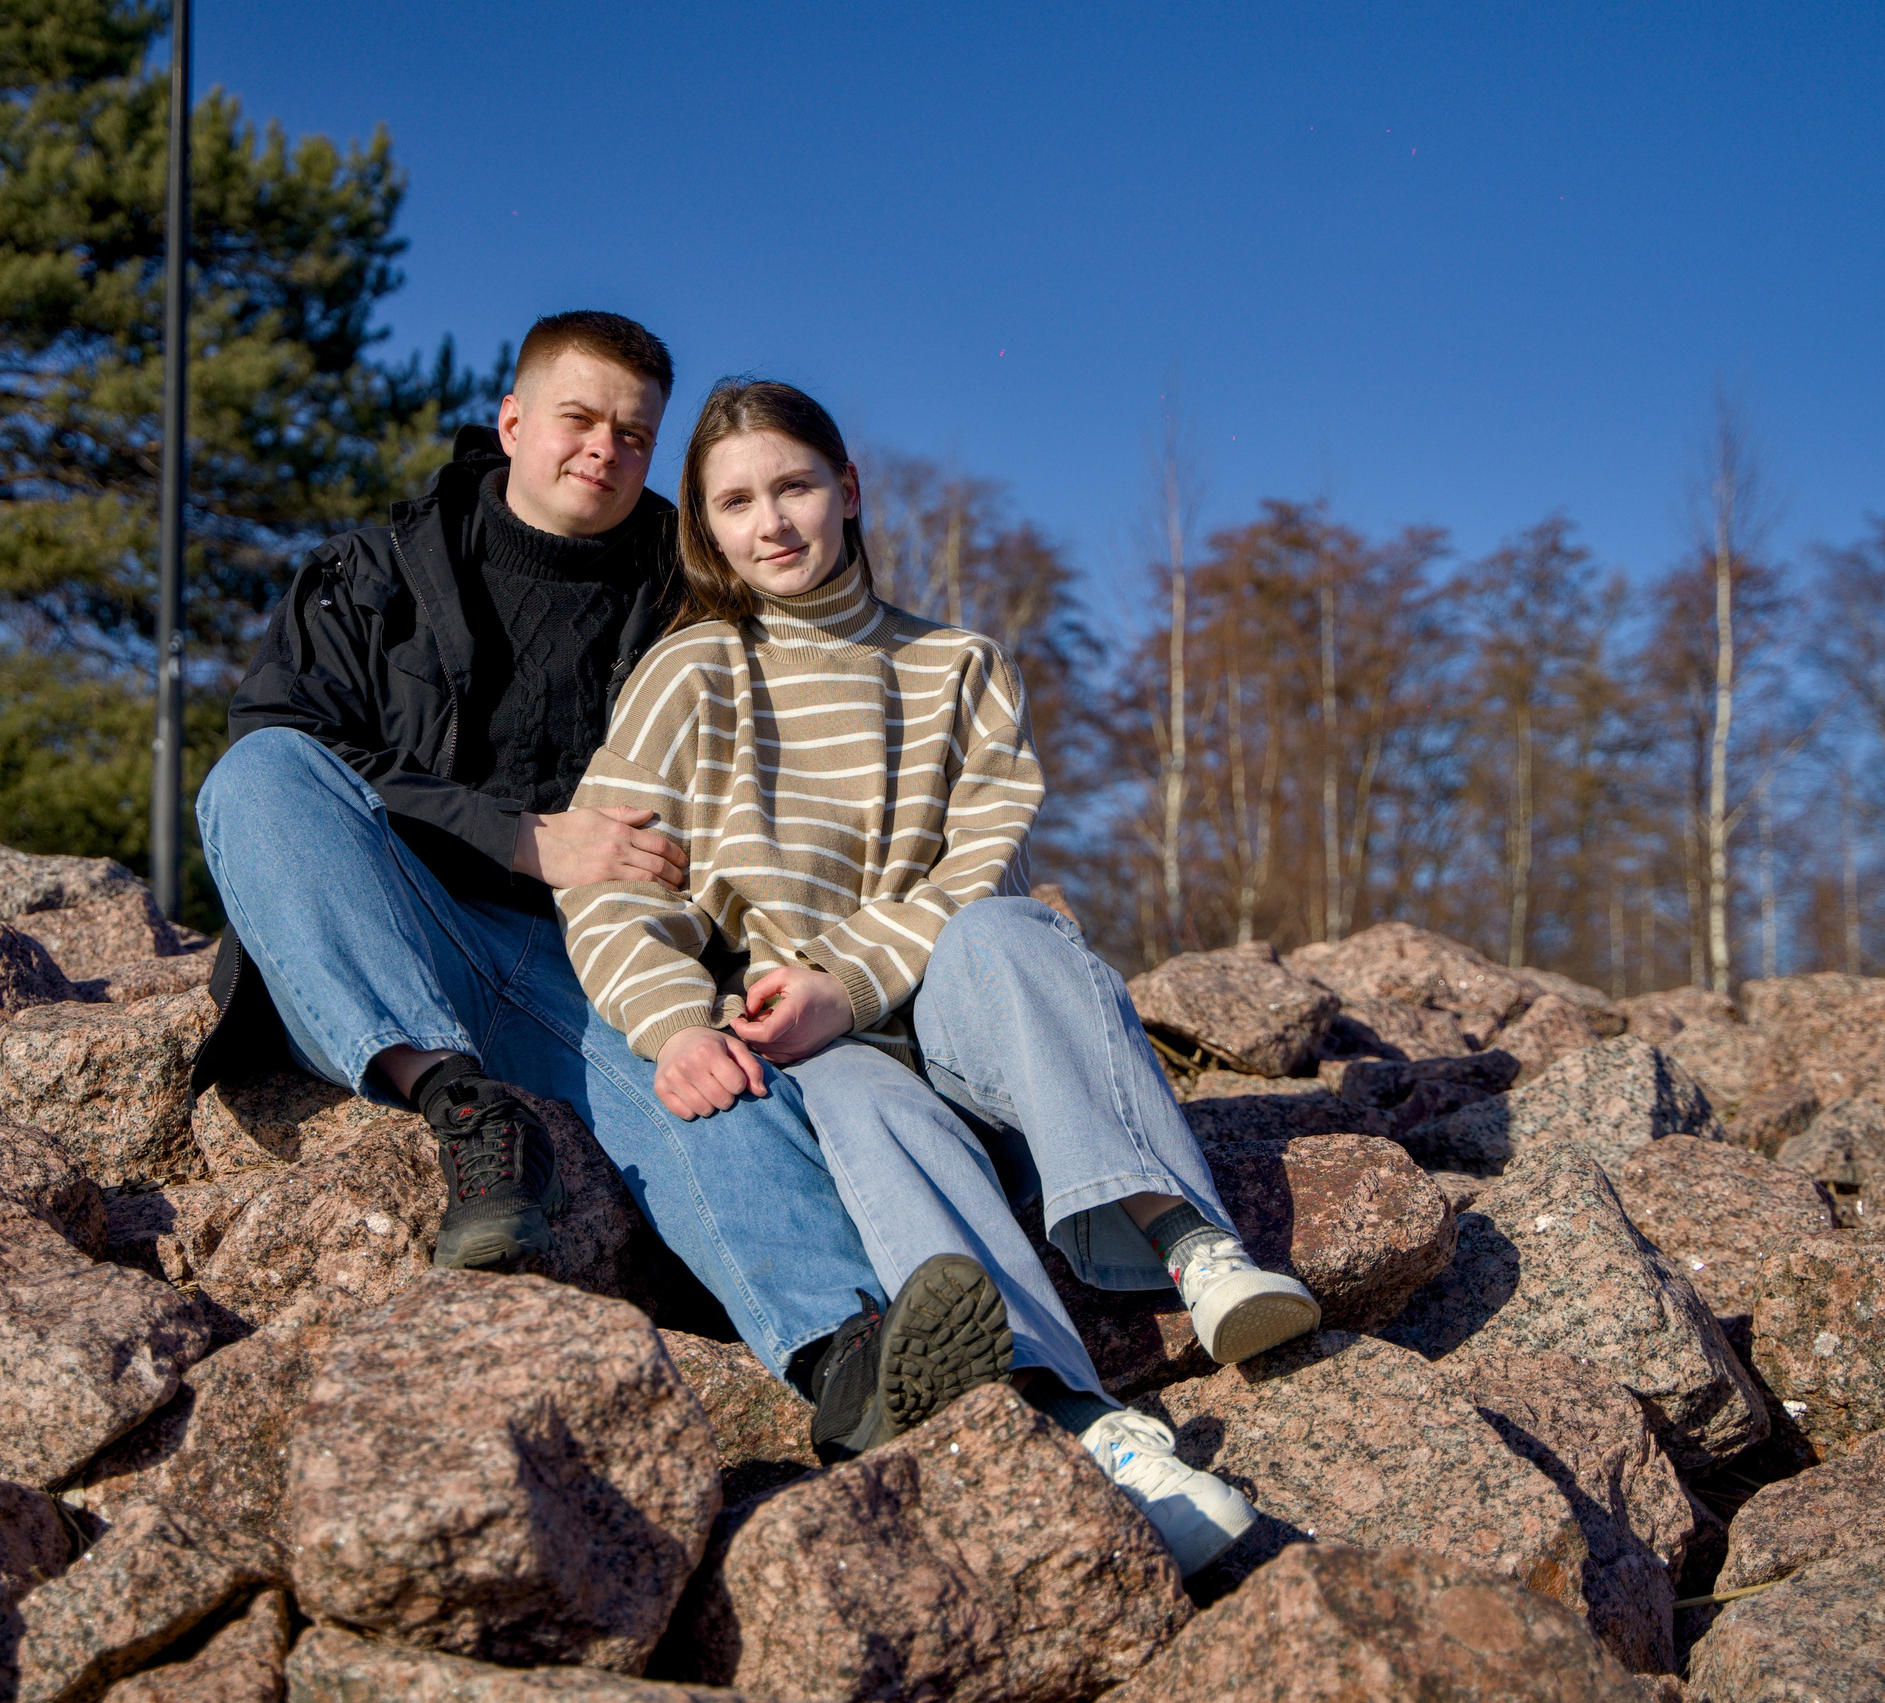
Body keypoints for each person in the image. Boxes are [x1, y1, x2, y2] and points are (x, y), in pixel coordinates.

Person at [556, 378, 1324, 1573]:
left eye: (795, 485)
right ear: (704, 530)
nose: (772, 523)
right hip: (830, 1050)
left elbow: (985, 864)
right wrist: (670, 1027)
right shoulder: (692, 674)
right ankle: (1089, 1429)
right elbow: (611, 886)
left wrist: (849, 982)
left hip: (982, 1028)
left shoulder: (956, 665)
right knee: (861, 1099)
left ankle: (1191, 1244)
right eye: (736, 503)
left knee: (1011, 930)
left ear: (848, 489)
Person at [194, 314, 936, 1437]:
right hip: (393, 922)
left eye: (634, 435)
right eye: (579, 419)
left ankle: (848, 1359)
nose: (603, 449)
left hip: (589, 961)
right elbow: (285, 735)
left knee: (708, 1081)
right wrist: (521, 837)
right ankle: (461, 1107)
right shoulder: (376, 571)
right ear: (513, 422)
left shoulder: (693, 595)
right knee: (257, 776)